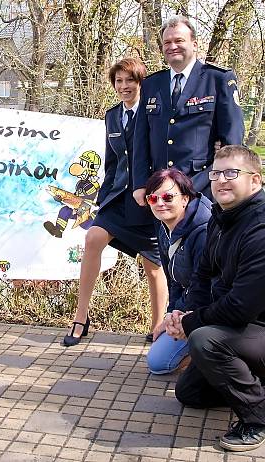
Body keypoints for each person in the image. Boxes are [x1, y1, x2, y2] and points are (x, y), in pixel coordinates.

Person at [165, 145, 265, 452]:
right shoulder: (220, 219)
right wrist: (185, 310)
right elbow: (203, 275)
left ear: (255, 181)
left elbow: (239, 307)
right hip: (249, 329)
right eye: (215, 173)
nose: (222, 180)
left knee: (205, 340)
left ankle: (261, 415)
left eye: (232, 173)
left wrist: (192, 323)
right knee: (189, 394)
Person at [62, 57, 168, 347]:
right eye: (118, 81)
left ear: (140, 83)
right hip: (117, 198)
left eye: (129, 81)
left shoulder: (153, 114)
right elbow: (112, 163)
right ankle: (81, 318)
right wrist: (103, 197)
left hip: (146, 200)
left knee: (153, 265)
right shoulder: (111, 116)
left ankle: (157, 326)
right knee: (94, 238)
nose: (124, 86)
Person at [132, 15, 245, 205]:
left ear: (194, 44)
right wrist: (140, 184)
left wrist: (224, 182)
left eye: (179, 40)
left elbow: (232, 139)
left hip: (202, 188)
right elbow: (140, 139)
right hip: (161, 192)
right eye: (167, 42)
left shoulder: (218, 79)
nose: (172, 46)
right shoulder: (152, 84)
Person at [143, 168, 211, 374]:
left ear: (185, 199)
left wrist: (175, 319)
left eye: (167, 196)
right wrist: (171, 314)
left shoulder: (204, 231)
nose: (160, 203)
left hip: (208, 310)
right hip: (187, 307)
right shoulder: (164, 226)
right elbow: (174, 280)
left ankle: (207, 356)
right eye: (153, 198)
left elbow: (204, 287)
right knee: (156, 361)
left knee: (159, 363)